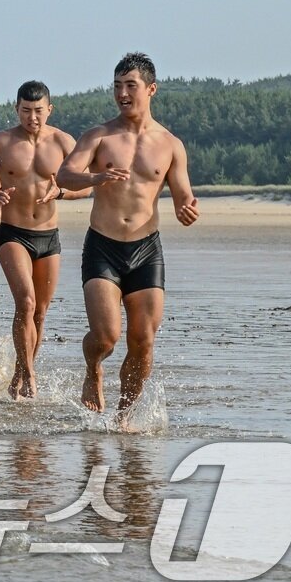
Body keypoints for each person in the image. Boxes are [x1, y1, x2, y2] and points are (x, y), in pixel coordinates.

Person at [57, 53, 198, 424]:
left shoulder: (170, 144)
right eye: (117, 85)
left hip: (146, 249)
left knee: (143, 341)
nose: (122, 93)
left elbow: (182, 193)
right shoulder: (99, 136)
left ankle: (125, 415)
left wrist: (186, 208)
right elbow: (65, 175)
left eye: (130, 85)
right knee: (106, 337)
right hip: (103, 246)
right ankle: (93, 371)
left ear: (151, 89)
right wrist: (93, 179)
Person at [0, 80, 83, 399]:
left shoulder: (63, 142)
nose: (32, 117)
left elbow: (88, 184)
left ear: (50, 109)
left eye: (38, 111)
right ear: (17, 108)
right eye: (26, 111)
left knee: (41, 312)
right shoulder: (0, 142)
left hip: (49, 236)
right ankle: (31, 375)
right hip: (13, 234)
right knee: (26, 301)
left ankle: (21, 370)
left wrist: (61, 191)